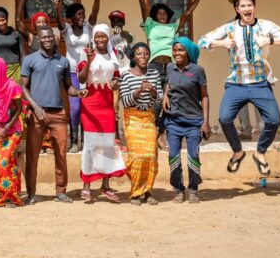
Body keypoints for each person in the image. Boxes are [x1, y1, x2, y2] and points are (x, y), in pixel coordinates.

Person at [199, 0, 280, 177]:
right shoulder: (230, 28)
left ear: (254, 7)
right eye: (243, 6)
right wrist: (222, 44)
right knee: (225, 118)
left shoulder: (266, 25)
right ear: (237, 9)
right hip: (236, 83)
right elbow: (202, 40)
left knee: (274, 120)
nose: (247, 9)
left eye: (249, 5)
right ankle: (238, 151)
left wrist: (269, 40)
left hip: (260, 83)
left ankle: (260, 152)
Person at [76, 25, 126, 202]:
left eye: (103, 36)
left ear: (107, 38)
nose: (100, 40)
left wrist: (115, 83)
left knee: (107, 144)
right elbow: (81, 79)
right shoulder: (87, 53)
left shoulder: (113, 56)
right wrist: (89, 61)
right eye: (97, 37)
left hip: (107, 102)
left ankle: (105, 185)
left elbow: (117, 76)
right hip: (91, 101)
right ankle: (87, 185)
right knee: (90, 144)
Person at [21, 26, 69, 204]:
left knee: (61, 154)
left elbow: (68, 86)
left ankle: (61, 191)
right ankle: (31, 193)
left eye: (50, 36)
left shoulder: (63, 61)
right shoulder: (30, 60)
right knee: (32, 155)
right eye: (44, 37)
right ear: (39, 40)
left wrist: (79, 93)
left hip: (58, 114)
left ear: (55, 39)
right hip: (37, 115)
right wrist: (35, 106)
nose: (48, 39)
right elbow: (23, 86)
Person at [130, 0, 207, 79]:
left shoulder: (173, 27)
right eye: (159, 13)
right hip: (154, 66)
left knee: (170, 94)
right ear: (155, 16)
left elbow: (188, 13)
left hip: (170, 65)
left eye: (164, 13)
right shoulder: (151, 25)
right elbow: (143, 7)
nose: (162, 15)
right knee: (155, 94)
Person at [161, 37, 209, 203]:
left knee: (193, 157)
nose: (177, 53)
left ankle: (194, 189)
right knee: (173, 156)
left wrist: (205, 122)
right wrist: (165, 95)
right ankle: (179, 189)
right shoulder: (169, 67)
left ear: (188, 52)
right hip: (173, 121)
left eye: (180, 50)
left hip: (194, 122)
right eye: (174, 50)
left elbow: (204, 96)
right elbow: (168, 84)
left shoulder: (197, 71)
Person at [54, 0, 100, 154]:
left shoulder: (88, 27)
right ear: (72, 17)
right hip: (72, 72)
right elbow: (59, 24)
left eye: (83, 14)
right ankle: (74, 142)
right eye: (79, 14)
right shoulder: (66, 29)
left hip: (88, 72)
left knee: (88, 107)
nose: (83, 17)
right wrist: (57, 8)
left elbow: (94, 14)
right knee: (74, 108)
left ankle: (87, 141)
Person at [119, 43, 162, 205]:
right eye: (139, 54)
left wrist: (152, 92)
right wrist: (138, 91)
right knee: (137, 157)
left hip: (148, 117)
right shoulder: (126, 75)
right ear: (133, 57)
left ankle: (148, 192)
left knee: (151, 156)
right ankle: (136, 192)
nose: (143, 57)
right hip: (133, 118)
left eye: (145, 54)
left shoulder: (154, 74)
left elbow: (158, 99)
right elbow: (126, 101)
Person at [0, 56, 26, 208]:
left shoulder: (12, 86)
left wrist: (7, 127)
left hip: (13, 129)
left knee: (6, 161)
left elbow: (19, 109)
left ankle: (11, 198)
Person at [0, 6, 27, 82]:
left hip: (15, 70)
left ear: (7, 19)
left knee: (14, 93)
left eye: (3, 20)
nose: (1, 23)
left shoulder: (16, 34)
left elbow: (23, 54)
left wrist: (24, 71)